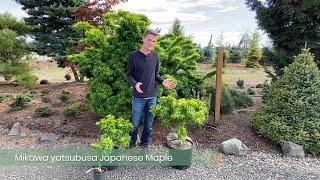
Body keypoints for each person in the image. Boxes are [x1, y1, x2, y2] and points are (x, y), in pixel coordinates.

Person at [127, 29, 176, 148]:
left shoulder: (155, 56)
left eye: (154, 41)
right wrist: (135, 84)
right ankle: (132, 142)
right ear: (143, 39)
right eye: (149, 40)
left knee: (149, 124)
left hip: (152, 97)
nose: (151, 43)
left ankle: (144, 143)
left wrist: (163, 81)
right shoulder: (133, 56)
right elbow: (129, 74)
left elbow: (156, 75)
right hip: (138, 97)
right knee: (134, 124)